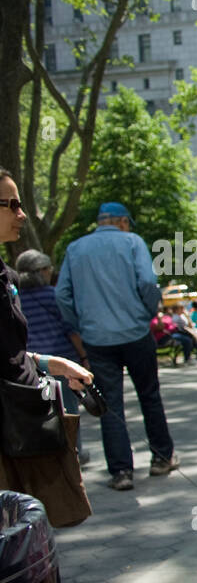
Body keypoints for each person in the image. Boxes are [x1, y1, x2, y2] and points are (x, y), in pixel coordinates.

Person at [55, 200, 178, 491]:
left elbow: (62, 295)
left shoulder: (75, 249)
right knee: (149, 395)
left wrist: (82, 323)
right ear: (122, 222)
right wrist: (144, 314)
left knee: (109, 405)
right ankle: (161, 457)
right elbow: (148, 284)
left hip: (97, 338)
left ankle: (121, 471)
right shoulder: (133, 242)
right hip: (135, 333)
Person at [0, 169, 95, 523]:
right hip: (11, 429)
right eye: (11, 205)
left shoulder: (6, 275)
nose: (21, 214)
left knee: (31, 534)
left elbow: (10, 352)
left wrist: (53, 364)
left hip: (25, 423)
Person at [14, 250, 90, 462]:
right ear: (39, 272)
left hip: (31, 366)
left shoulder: (14, 299)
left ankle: (51, 455)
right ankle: (74, 453)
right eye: (48, 269)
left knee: (44, 412)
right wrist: (83, 357)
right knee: (68, 410)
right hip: (62, 361)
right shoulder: (53, 295)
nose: (51, 273)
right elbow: (71, 330)